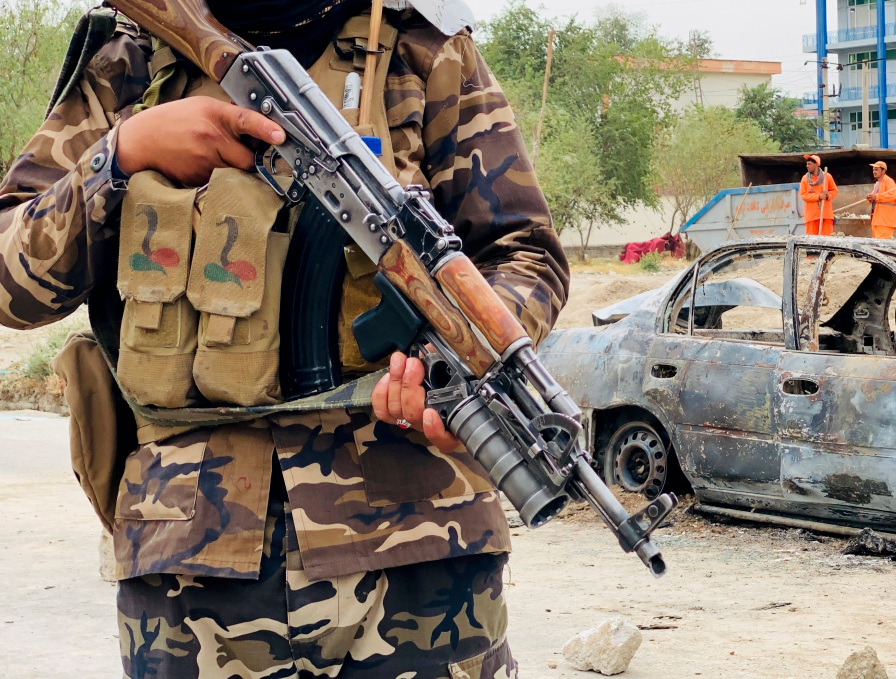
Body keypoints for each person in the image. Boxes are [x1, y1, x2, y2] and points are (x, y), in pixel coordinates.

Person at [0, 1, 568, 676]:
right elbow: (13, 283)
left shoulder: (425, 46)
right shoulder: (132, 54)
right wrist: (124, 155)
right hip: (193, 562)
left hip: (420, 554)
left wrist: (464, 363)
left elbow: (523, 250)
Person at [799, 154, 838, 236]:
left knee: (827, 241)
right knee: (812, 242)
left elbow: (835, 191)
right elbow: (803, 195)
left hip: (826, 215)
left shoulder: (827, 176)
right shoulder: (805, 179)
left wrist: (827, 195)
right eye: (807, 164)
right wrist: (819, 196)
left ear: (816, 164)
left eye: (809, 164)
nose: (807, 166)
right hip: (812, 216)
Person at [866, 160, 896, 239]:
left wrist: (876, 197)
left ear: (883, 170)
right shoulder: (877, 184)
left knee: (883, 245)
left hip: (885, 220)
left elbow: (893, 196)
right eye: (873, 170)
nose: (874, 172)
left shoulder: (889, 181)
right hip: (877, 220)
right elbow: (874, 197)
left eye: (876, 170)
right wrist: (870, 198)